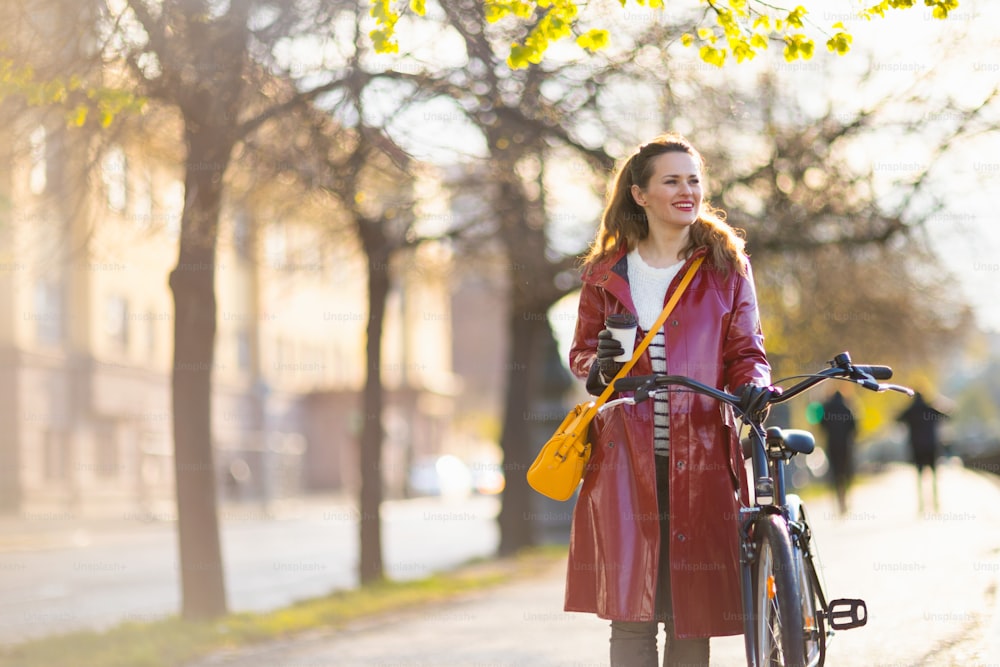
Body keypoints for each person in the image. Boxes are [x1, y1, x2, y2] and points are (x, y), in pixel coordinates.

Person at [566, 134, 775, 667]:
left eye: (694, 179)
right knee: (630, 616)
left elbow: (746, 349)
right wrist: (600, 369)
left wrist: (751, 383)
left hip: (702, 456)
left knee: (691, 617)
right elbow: (583, 352)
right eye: (672, 180)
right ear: (640, 194)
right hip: (623, 461)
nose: (688, 191)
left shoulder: (726, 266)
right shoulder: (605, 272)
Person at [896, 392, 949, 513]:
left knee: (919, 476)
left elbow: (897, 419)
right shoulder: (931, 410)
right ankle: (935, 502)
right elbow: (948, 416)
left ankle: (921, 505)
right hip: (931, 447)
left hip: (916, 448)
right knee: (934, 475)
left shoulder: (911, 411)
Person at [819, 391, 857, 516]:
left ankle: (838, 501)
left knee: (835, 474)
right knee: (846, 473)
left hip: (832, 445)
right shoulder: (847, 408)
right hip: (845, 446)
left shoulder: (827, 408)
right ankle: (845, 500)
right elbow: (854, 427)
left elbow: (822, 425)